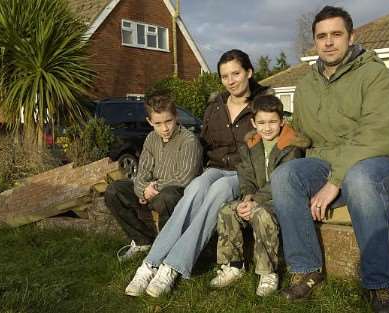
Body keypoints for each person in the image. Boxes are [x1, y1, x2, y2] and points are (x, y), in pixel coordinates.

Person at [270, 6, 389, 313]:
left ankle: (380, 285)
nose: (329, 42)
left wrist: (334, 182)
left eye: (336, 34)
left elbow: (380, 135)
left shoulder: (375, 74)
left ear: (351, 37)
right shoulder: (307, 85)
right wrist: (286, 135)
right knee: (285, 176)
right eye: (321, 36)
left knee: (360, 177)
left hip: (384, 164)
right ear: (315, 42)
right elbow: (309, 135)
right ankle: (307, 269)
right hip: (330, 163)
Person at [125, 49, 273, 298]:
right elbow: (204, 144)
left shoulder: (262, 107)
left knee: (219, 190)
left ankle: (172, 266)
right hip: (214, 168)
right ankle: (149, 264)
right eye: (225, 76)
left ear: (249, 72)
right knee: (196, 188)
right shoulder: (215, 106)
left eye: (236, 73)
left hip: (243, 173)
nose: (231, 80)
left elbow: (271, 145)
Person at [209, 94, 309, 296]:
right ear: (253, 122)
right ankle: (234, 265)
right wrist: (247, 197)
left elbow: (281, 180)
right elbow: (245, 173)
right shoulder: (251, 143)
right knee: (228, 210)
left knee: (261, 214)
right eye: (261, 122)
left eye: (273, 121)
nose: (267, 127)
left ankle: (268, 272)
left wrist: (256, 201)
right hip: (255, 197)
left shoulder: (291, 146)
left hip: (281, 200)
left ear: (282, 121)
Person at [104, 90, 202, 261]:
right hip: (151, 194)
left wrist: (154, 187)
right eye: (158, 123)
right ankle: (142, 241)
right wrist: (143, 191)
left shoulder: (189, 140)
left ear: (176, 116)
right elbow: (141, 174)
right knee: (113, 191)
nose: (164, 128)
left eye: (168, 121)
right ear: (150, 121)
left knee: (168, 195)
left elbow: (184, 178)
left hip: (176, 195)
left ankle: (166, 252)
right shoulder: (150, 139)